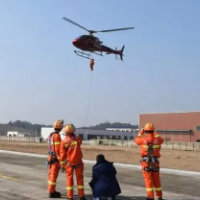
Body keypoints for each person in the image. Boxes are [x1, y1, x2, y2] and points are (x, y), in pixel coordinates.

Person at [134, 123, 164, 200]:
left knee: (148, 180)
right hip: (155, 163)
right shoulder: (158, 140)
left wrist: (141, 132)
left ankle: (150, 197)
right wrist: (154, 131)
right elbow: (161, 139)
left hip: (146, 163)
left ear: (145, 131)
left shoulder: (142, 140)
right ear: (153, 130)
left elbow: (136, 139)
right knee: (156, 180)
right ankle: (159, 196)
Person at [60, 124, 87, 200]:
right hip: (79, 163)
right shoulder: (78, 139)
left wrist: (62, 165)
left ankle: (70, 196)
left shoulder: (64, 141)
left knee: (69, 179)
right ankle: (81, 196)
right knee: (80, 179)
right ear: (72, 131)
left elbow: (62, 154)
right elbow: (80, 141)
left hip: (69, 163)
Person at [47, 119, 64, 198]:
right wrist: (61, 161)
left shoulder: (51, 135)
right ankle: (52, 192)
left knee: (51, 175)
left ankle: (51, 190)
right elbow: (58, 150)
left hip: (50, 157)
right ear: (61, 127)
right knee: (53, 175)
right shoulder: (57, 136)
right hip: (55, 159)